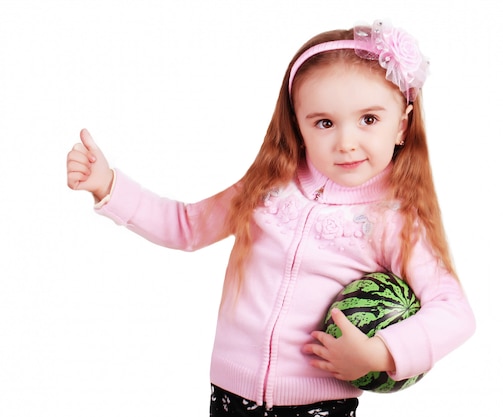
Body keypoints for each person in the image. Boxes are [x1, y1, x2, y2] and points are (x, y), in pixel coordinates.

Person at [66, 19, 475, 417]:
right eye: (325, 123)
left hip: (319, 405)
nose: (346, 142)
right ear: (298, 127)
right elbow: (186, 226)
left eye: (369, 119)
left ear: (401, 126)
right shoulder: (268, 187)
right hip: (230, 393)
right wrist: (108, 186)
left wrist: (380, 353)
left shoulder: (396, 220)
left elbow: (453, 311)